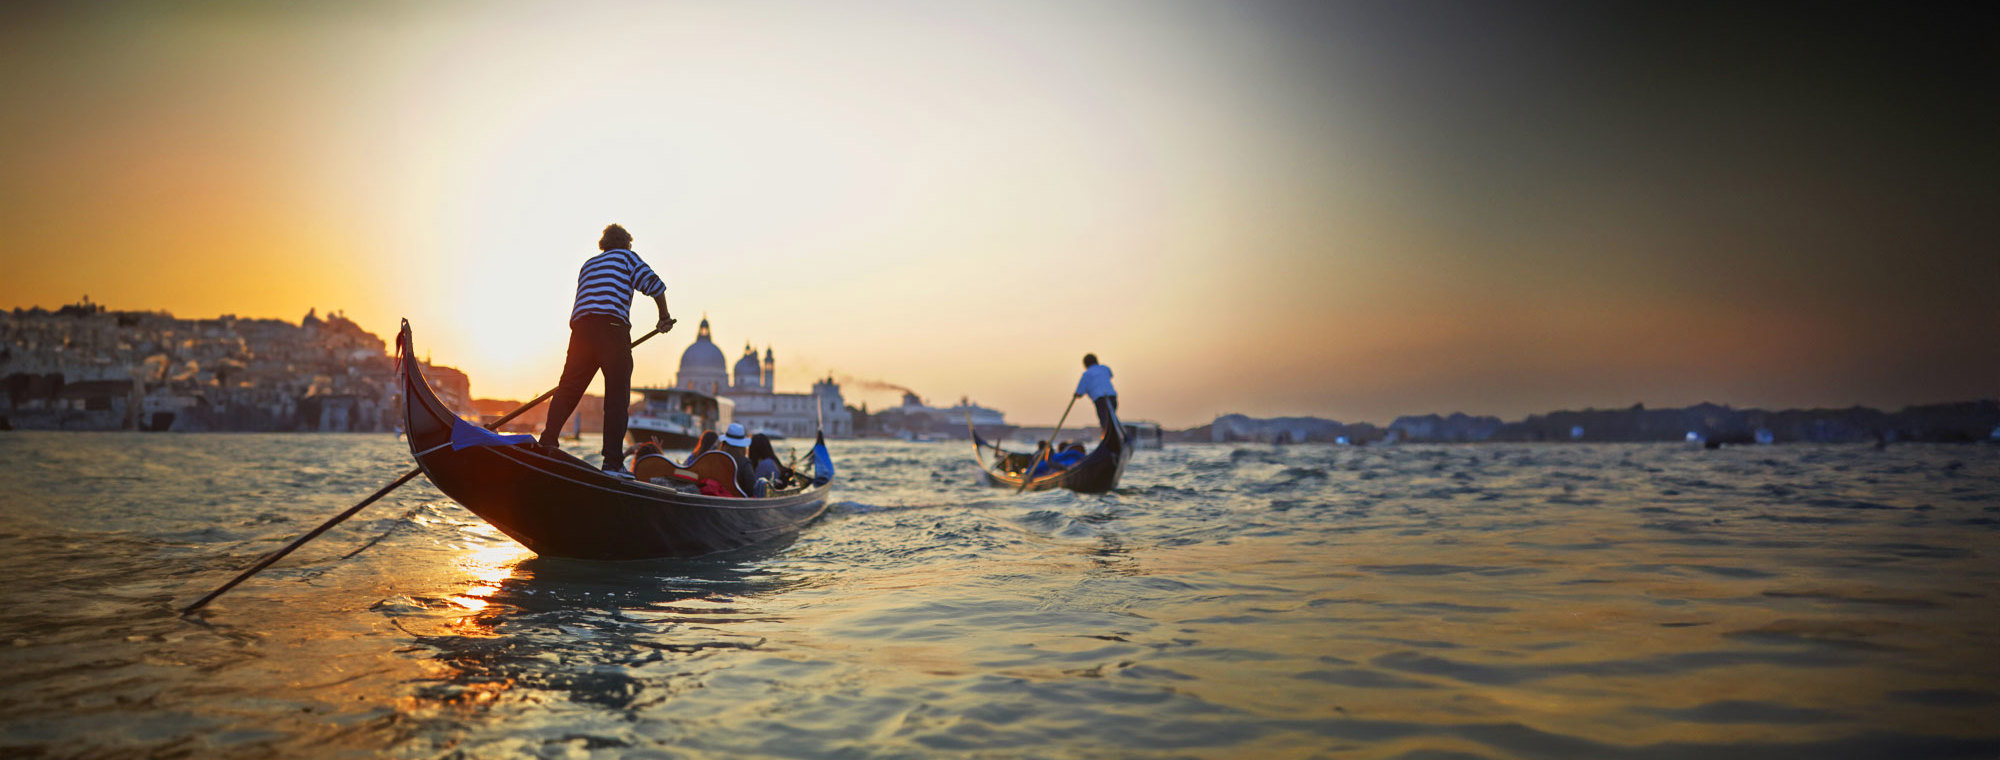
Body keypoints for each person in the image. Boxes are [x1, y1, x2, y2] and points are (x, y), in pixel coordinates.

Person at [539, 224, 676, 479]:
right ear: (626, 244)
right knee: (616, 398)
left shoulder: (588, 264)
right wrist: (664, 317)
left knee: (567, 390)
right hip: (612, 330)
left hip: (581, 331)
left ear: (604, 244)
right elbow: (656, 286)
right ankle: (612, 463)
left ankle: (547, 442)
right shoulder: (627, 257)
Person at [1073, 353, 1117, 434]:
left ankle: (1107, 433)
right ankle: (1112, 433)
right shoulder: (1105, 368)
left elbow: (1079, 393)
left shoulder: (1087, 374)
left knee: (1105, 420)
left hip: (1100, 399)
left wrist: (1076, 395)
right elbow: (1110, 375)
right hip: (1112, 397)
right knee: (1111, 418)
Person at [717, 423, 757, 495]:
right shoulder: (744, 463)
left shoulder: (715, 458)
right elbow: (752, 488)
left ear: (724, 443)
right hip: (738, 500)